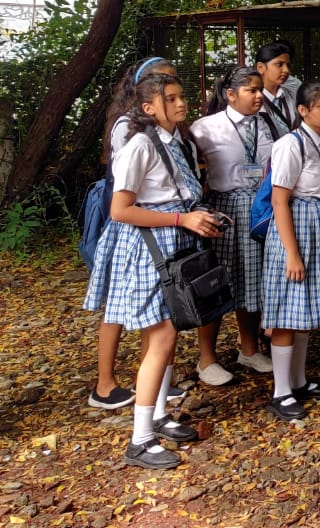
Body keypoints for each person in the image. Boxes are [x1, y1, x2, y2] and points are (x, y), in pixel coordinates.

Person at [99, 72, 226, 469]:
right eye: (170, 99)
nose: (181, 103)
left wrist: (199, 217)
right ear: (149, 108)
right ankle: (139, 441)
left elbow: (177, 195)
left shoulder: (177, 142)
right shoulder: (139, 145)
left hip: (175, 244)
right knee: (162, 335)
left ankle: (156, 416)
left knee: (169, 335)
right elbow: (120, 210)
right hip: (151, 249)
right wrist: (180, 221)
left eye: (181, 96)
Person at [84, 56, 179, 410]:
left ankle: (151, 380)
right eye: (160, 81)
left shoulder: (167, 127)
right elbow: (129, 186)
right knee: (118, 305)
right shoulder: (129, 127)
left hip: (154, 224)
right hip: (129, 225)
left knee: (154, 312)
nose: (170, 89)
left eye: (171, 81)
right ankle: (105, 384)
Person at [260, 82, 320, 421]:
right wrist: (292, 254)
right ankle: (281, 391)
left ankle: (298, 380)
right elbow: (280, 200)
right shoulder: (290, 144)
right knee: (286, 310)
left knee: (305, 308)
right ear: (303, 110)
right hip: (296, 228)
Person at [189, 66, 276, 382]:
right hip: (225, 208)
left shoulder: (265, 124)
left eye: (259, 89)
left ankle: (249, 349)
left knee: (253, 278)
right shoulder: (206, 127)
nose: (258, 95)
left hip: (259, 207)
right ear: (230, 94)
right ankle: (207, 358)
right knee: (218, 280)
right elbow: (189, 167)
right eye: (251, 90)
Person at [255, 42, 297, 140]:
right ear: (261, 67)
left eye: (288, 65)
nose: (286, 70)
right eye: (279, 64)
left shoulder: (293, 95)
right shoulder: (251, 99)